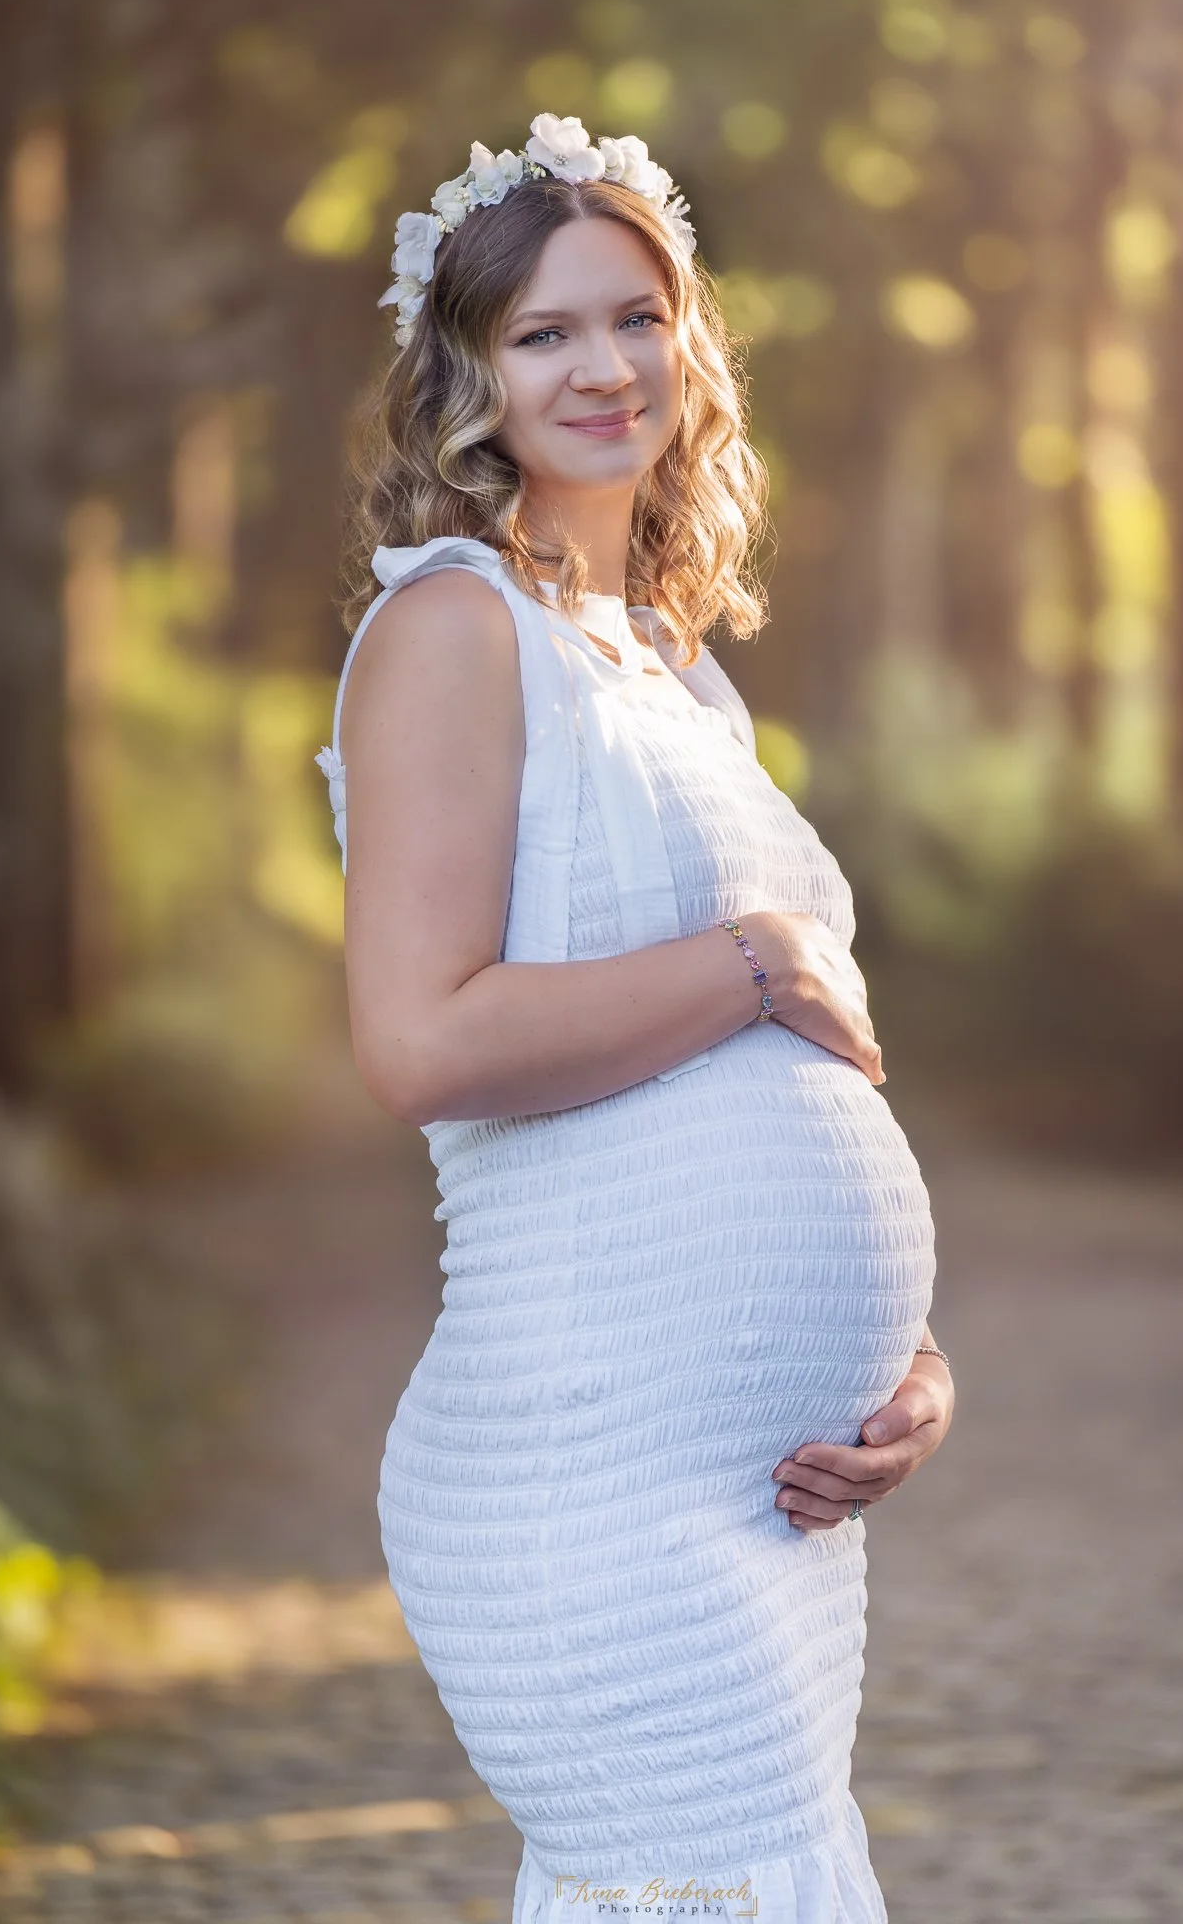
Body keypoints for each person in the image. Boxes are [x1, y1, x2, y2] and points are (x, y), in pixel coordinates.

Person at [315, 113, 955, 1923]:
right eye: (540, 334)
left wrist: (908, 1371)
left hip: (768, 1503)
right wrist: (751, 956)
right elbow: (419, 1041)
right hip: (581, 1473)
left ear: (691, 341)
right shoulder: (452, 627)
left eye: (633, 316)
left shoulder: (675, 666)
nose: (601, 367)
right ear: (469, 375)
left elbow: (803, 1097)